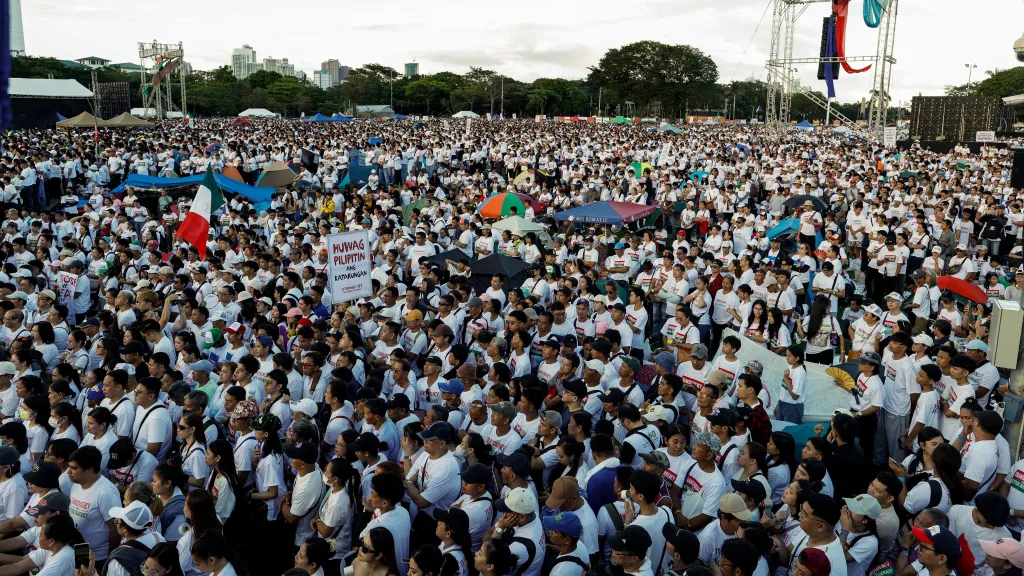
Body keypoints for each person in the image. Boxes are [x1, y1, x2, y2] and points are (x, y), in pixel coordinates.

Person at [67, 445, 121, 564]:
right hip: (80, 549)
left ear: (89, 468)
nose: (68, 472)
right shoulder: (76, 484)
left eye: (74, 468)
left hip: (98, 556)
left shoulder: (106, 492)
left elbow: (116, 529)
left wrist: (109, 557)